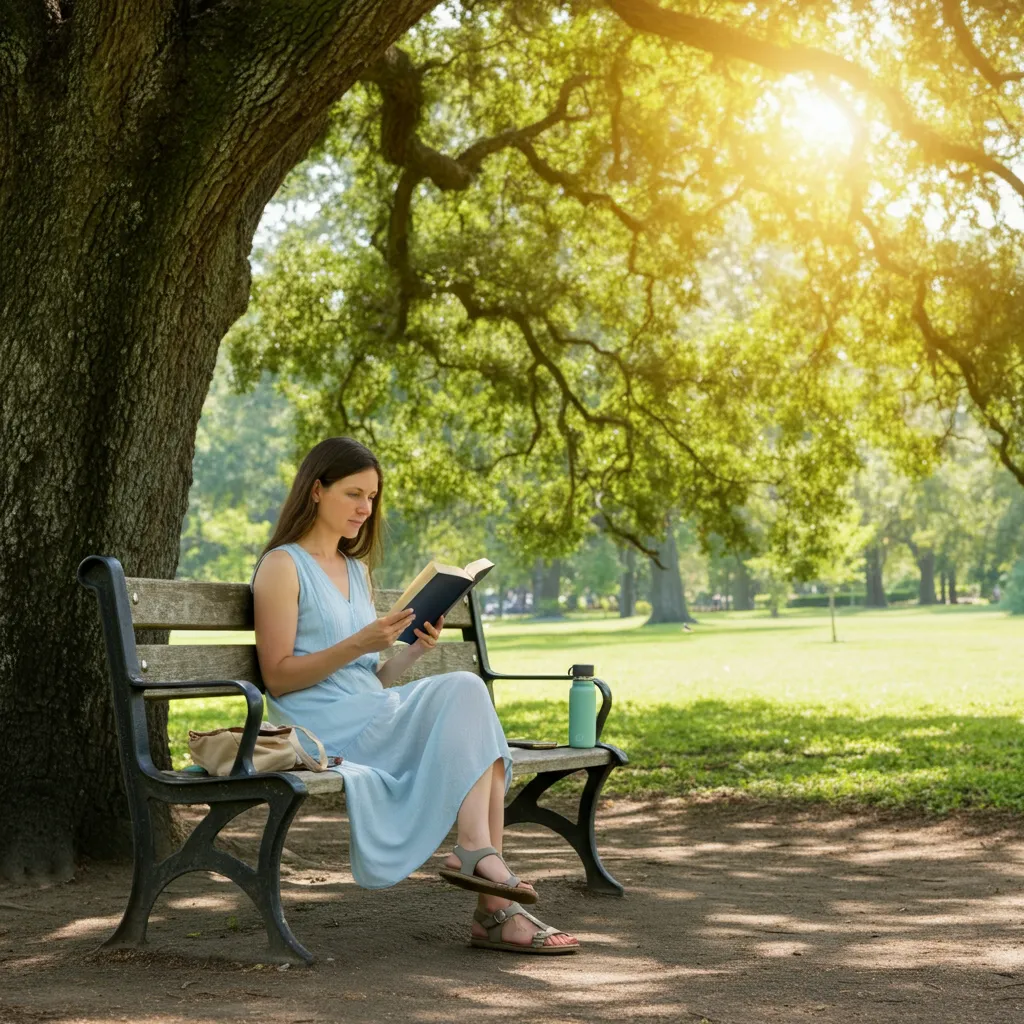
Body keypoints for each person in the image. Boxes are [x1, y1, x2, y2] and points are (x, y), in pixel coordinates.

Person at [251, 437, 579, 954]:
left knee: (469, 701)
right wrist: (362, 640)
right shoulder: (282, 566)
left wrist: (409, 654)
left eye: (373, 497)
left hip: (370, 711)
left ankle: (483, 874)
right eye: (354, 494)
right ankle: (492, 900)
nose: (366, 508)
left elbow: (366, 677)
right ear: (316, 490)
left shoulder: (355, 570)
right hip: (322, 727)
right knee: (470, 700)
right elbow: (278, 677)